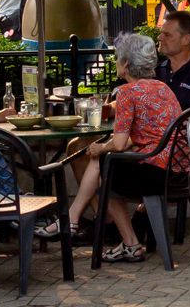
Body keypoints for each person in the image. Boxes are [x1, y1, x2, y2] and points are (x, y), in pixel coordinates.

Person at [55, 34, 180, 261]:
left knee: (104, 163)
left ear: (126, 65)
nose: (116, 63)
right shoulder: (163, 88)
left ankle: (79, 222)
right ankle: (81, 223)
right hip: (176, 170)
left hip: (154, 171)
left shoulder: (127, 92)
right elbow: (149, 133)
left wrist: (98, 148)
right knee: (105, 162)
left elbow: (120, 143)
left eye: (117, 59)